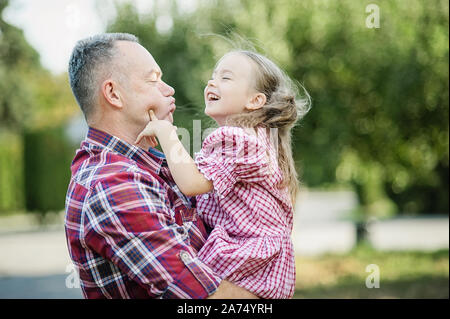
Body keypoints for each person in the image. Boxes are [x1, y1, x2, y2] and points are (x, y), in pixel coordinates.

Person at [64, 33, 258, 299]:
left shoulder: (152, 166)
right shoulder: (113, 185)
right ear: (113, 94)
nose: (169, 89)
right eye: (153, 79)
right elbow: (205, 297)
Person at [135, 50, 311, 298]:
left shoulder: (238, 140)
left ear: (255, 101)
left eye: (226, 78)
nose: (211, 82)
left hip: (247, 255)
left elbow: (192, 184)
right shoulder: (254, 138)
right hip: (264, 261)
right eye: (213, 76)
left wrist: (166, 133)